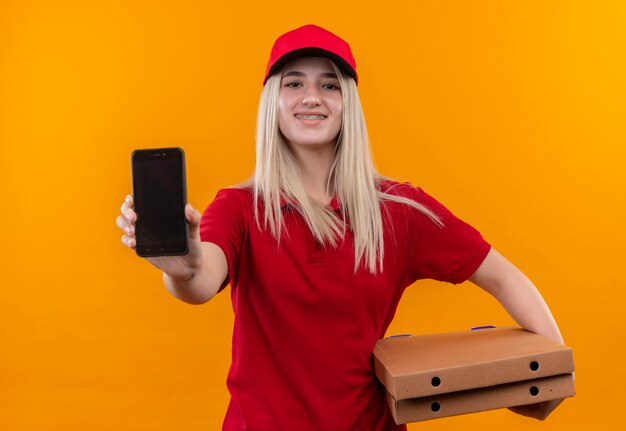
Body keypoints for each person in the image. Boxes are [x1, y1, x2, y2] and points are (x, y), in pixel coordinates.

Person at [116, 24, 566, 431]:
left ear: (348, 103)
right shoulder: (240, 208)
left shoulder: (399, 210)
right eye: (294, 83)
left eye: (329, 84)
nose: (311, 96)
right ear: (272, 102)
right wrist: (181, 264)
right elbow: (201, 280)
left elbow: (503, 275)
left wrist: (554, 373)